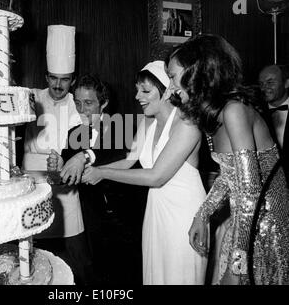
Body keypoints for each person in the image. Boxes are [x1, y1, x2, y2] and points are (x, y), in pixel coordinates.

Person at [175, 34, 289, 285]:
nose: (172, 86)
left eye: (174, 77)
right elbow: (231, 176)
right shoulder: (214, 114)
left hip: (265, 224)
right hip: (246, 221)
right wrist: (202, 214)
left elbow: (250, 194)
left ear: (198, 74)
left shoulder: (234, 110)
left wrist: (238, 267)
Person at [81, 61, 207, 285]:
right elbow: (130, 161)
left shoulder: (188, 123)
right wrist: (90, 169)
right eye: (137, 89)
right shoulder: (147, 121)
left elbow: (155, 176)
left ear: (168, 90)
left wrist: (102, 172)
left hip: (184, 213)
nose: (138, 96)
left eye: (146, 91)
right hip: (156, 208)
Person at [22, 25, 90, 285]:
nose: (58, 85)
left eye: (65, 79)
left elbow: (92, 138)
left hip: (66, 193)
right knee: (34, 269)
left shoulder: (79, 104)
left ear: (73, 79)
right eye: (53, 78)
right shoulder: (31, 98)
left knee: (74, 267)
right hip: (33, 188)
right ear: (46, 76)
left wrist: (79, 155)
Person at [47, 74, 127, 282]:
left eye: (89, 103)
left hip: (123, 216)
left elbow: (116, 152)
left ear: (104, 104)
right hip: (90, 215)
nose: (81, 110)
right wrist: (57, 170)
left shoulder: (119, 126)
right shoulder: (74, 131)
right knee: (96, 270)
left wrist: (83, 156)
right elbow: (66, 177)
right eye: (78, 103)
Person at [258, 64, 289, 181]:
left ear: (286, 83)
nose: (264, 88)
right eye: (261, 84)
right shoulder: (255, 113)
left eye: (270, 82)